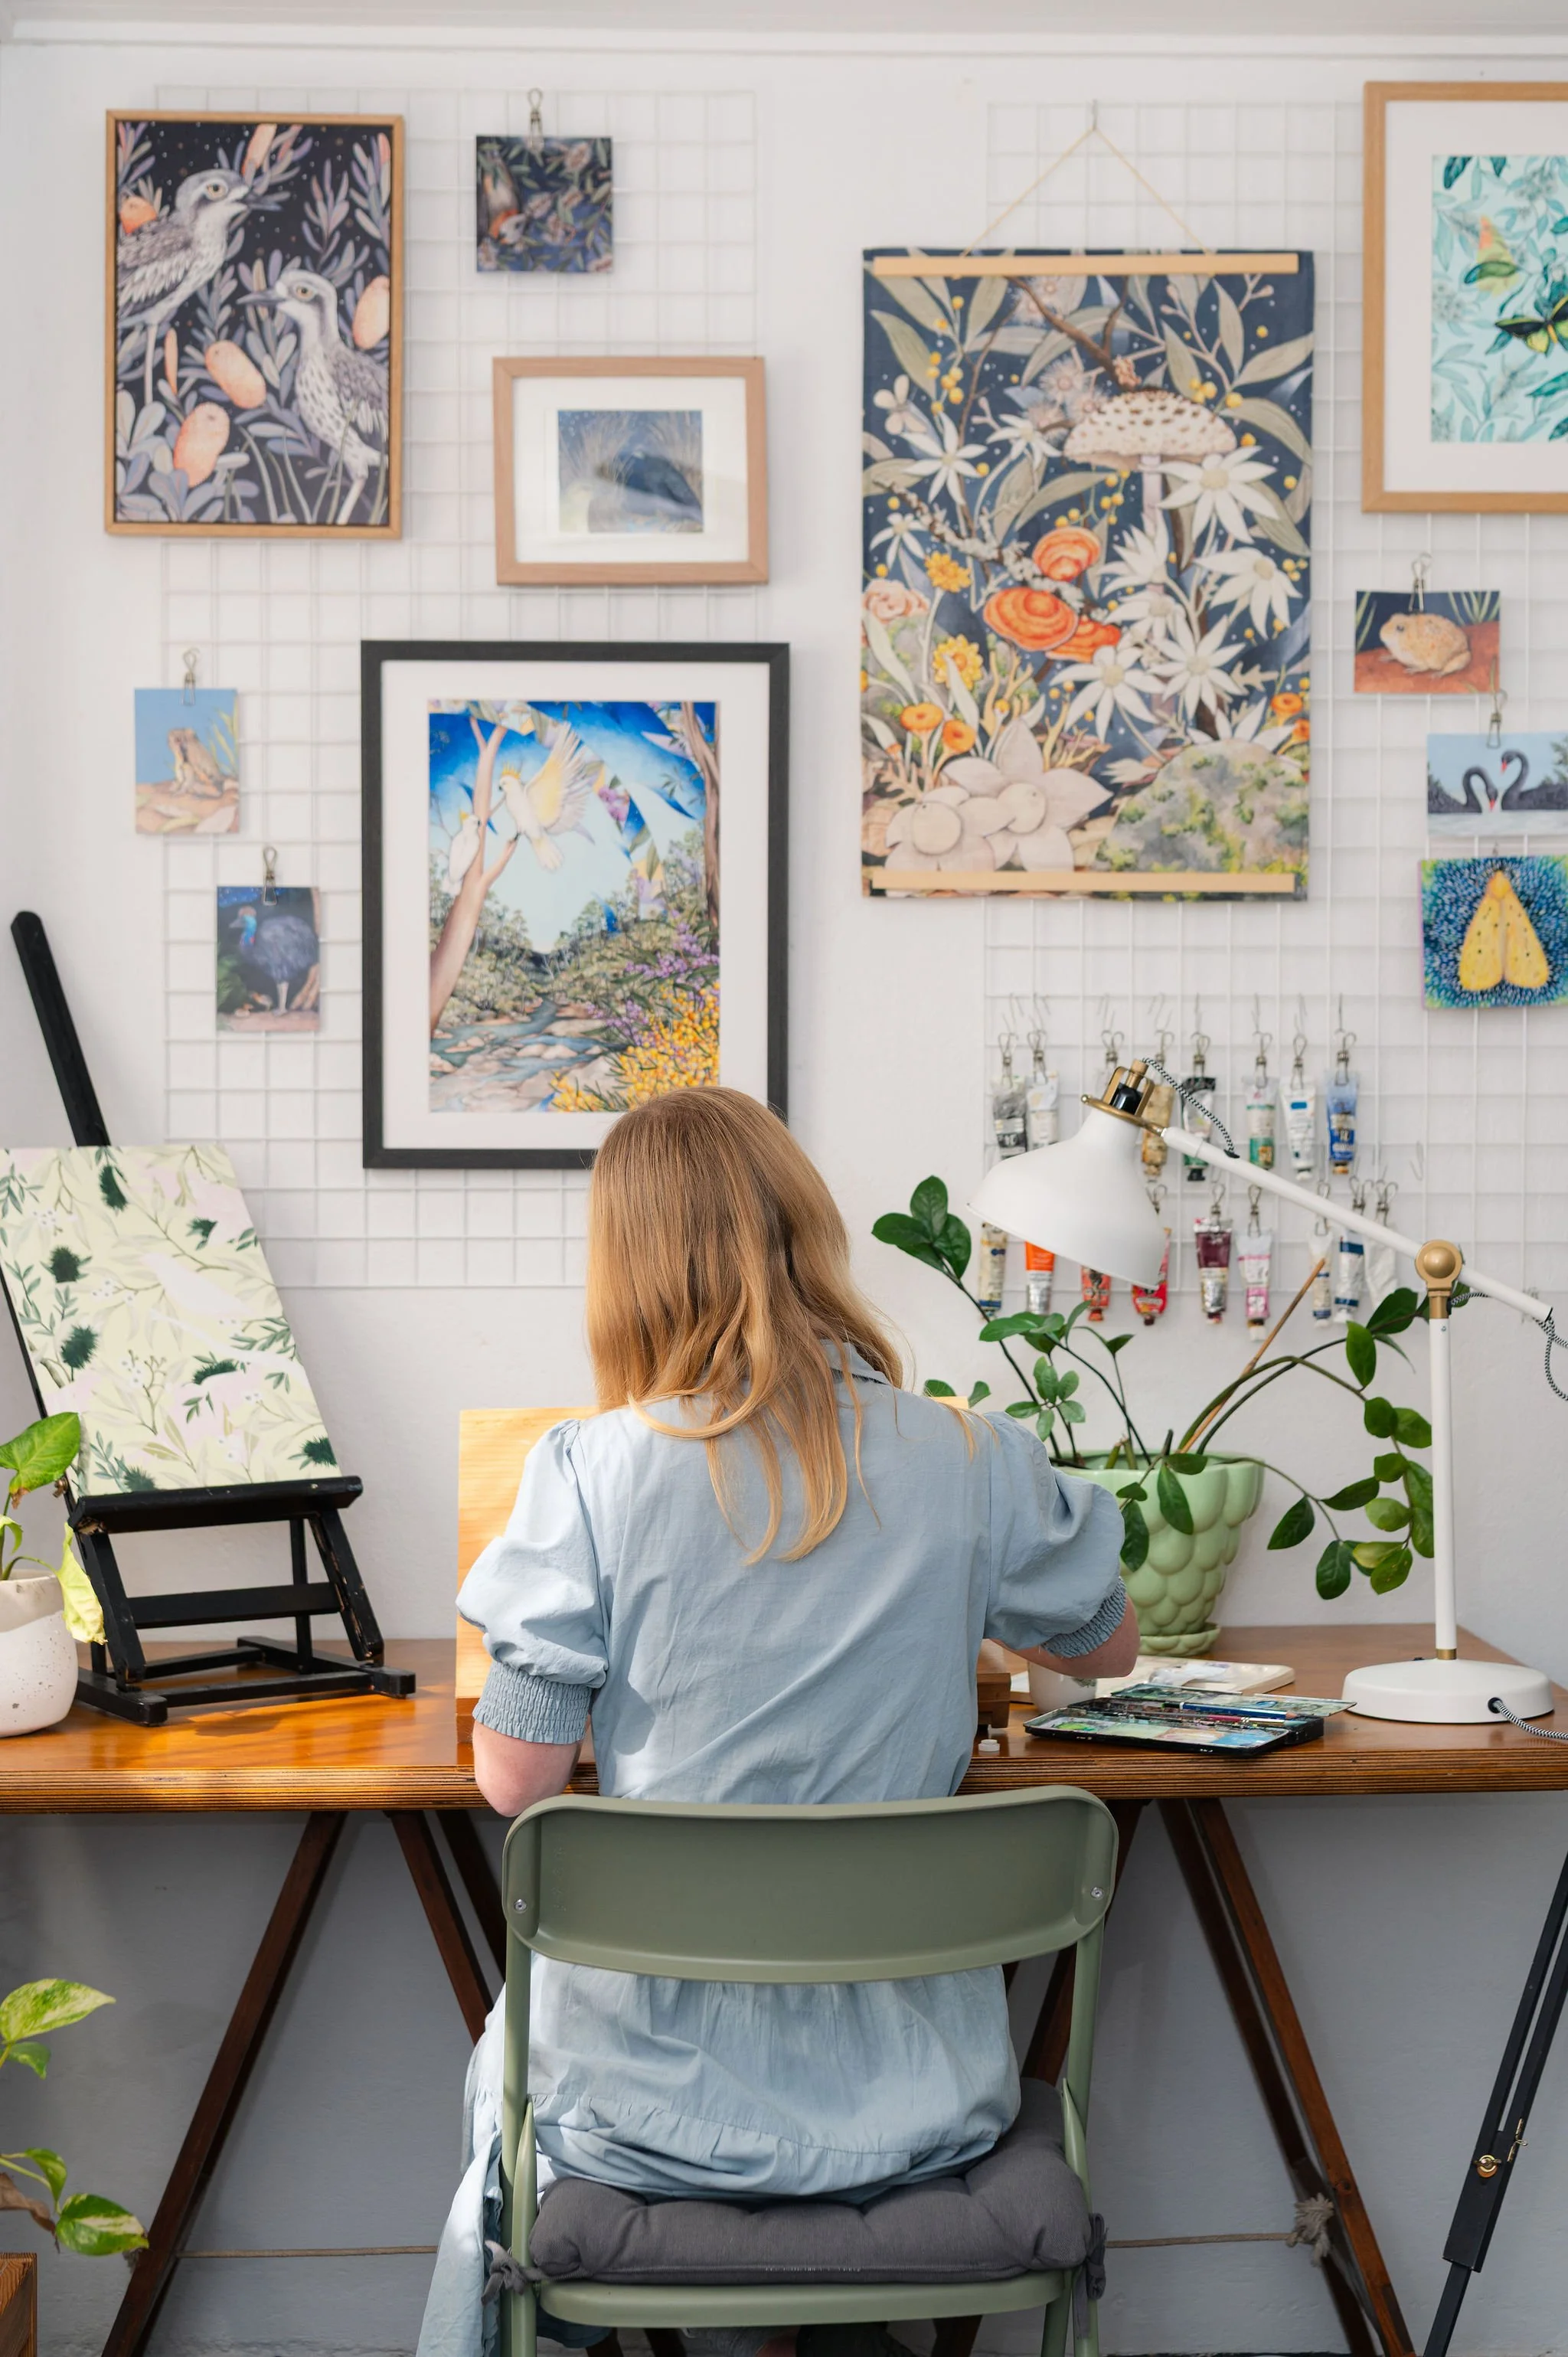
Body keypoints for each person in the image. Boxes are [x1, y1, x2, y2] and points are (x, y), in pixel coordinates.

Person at [418, 1088, 1135, 2357]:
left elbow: (522, 1781)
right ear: (809, 1231)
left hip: (640, 2109)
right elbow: (1108, 1645)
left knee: (501, 2078)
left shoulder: (589, 1472)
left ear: (627, 1273)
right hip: (928, 2106)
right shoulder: (970, 1458)